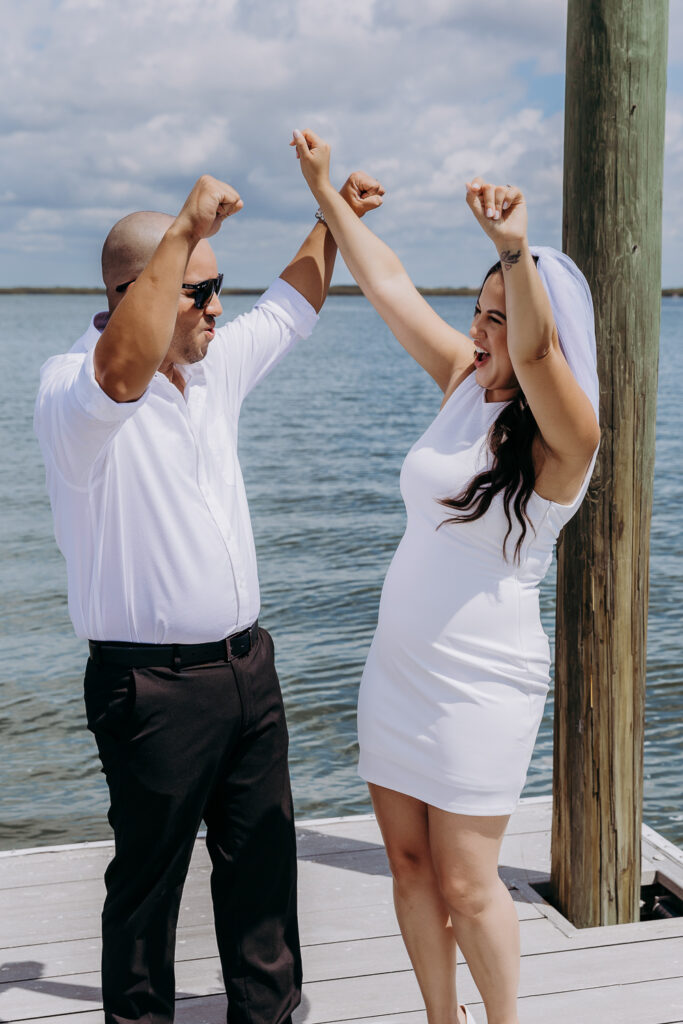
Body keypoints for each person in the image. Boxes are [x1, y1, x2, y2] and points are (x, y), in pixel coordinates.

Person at [34, 167, 384, 1024]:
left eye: (218, 286)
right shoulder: (71, 388)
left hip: (245, 670)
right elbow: (121, 377)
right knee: (148, 890)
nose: (219, 306)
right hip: (150, 686)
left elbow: (291, 307)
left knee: (262, 870)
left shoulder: (210, 365)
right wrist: (184, 227)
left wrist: (329, 218)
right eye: (200, 290)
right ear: (135, 292)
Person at [291, 129, 600, 1024]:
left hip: (482, 685)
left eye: (501, 315)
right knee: (410, 867)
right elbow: (387, 285)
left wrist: (512, 249)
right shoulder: (465, 380)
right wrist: (326, 194)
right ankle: (440, 1018)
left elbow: (540, 360)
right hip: (398, 670)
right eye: (480, 309)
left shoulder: (562, 445)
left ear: (543, 325)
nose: (482, 329)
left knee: (469, 886)